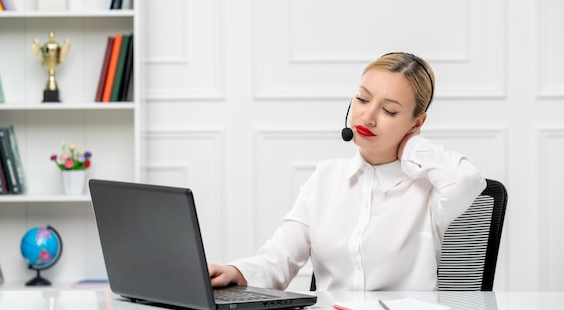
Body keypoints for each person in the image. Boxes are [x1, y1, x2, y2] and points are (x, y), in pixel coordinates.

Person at [208, 52, 486, 291]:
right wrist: (235, 272)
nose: (367, 117)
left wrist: (412, 148)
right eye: (362, 99)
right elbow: (279, 258)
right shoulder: (325, 178)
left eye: (389, 111)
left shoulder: (430, 192)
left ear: (416, 122)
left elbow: (467, 181)